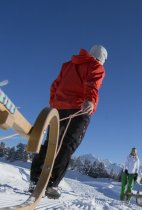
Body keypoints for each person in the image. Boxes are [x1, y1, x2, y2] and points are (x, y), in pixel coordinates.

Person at [29, 45, 108, 199]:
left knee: (51, 143)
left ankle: (35, 179)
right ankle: (51, 184)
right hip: (79, 109)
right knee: (68, 144)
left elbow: (55, 85)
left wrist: (54, 103)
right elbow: (92, 83)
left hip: (58, 108)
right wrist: (90, 100)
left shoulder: (68, 65)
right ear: (102, 58)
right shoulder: (96, 66)